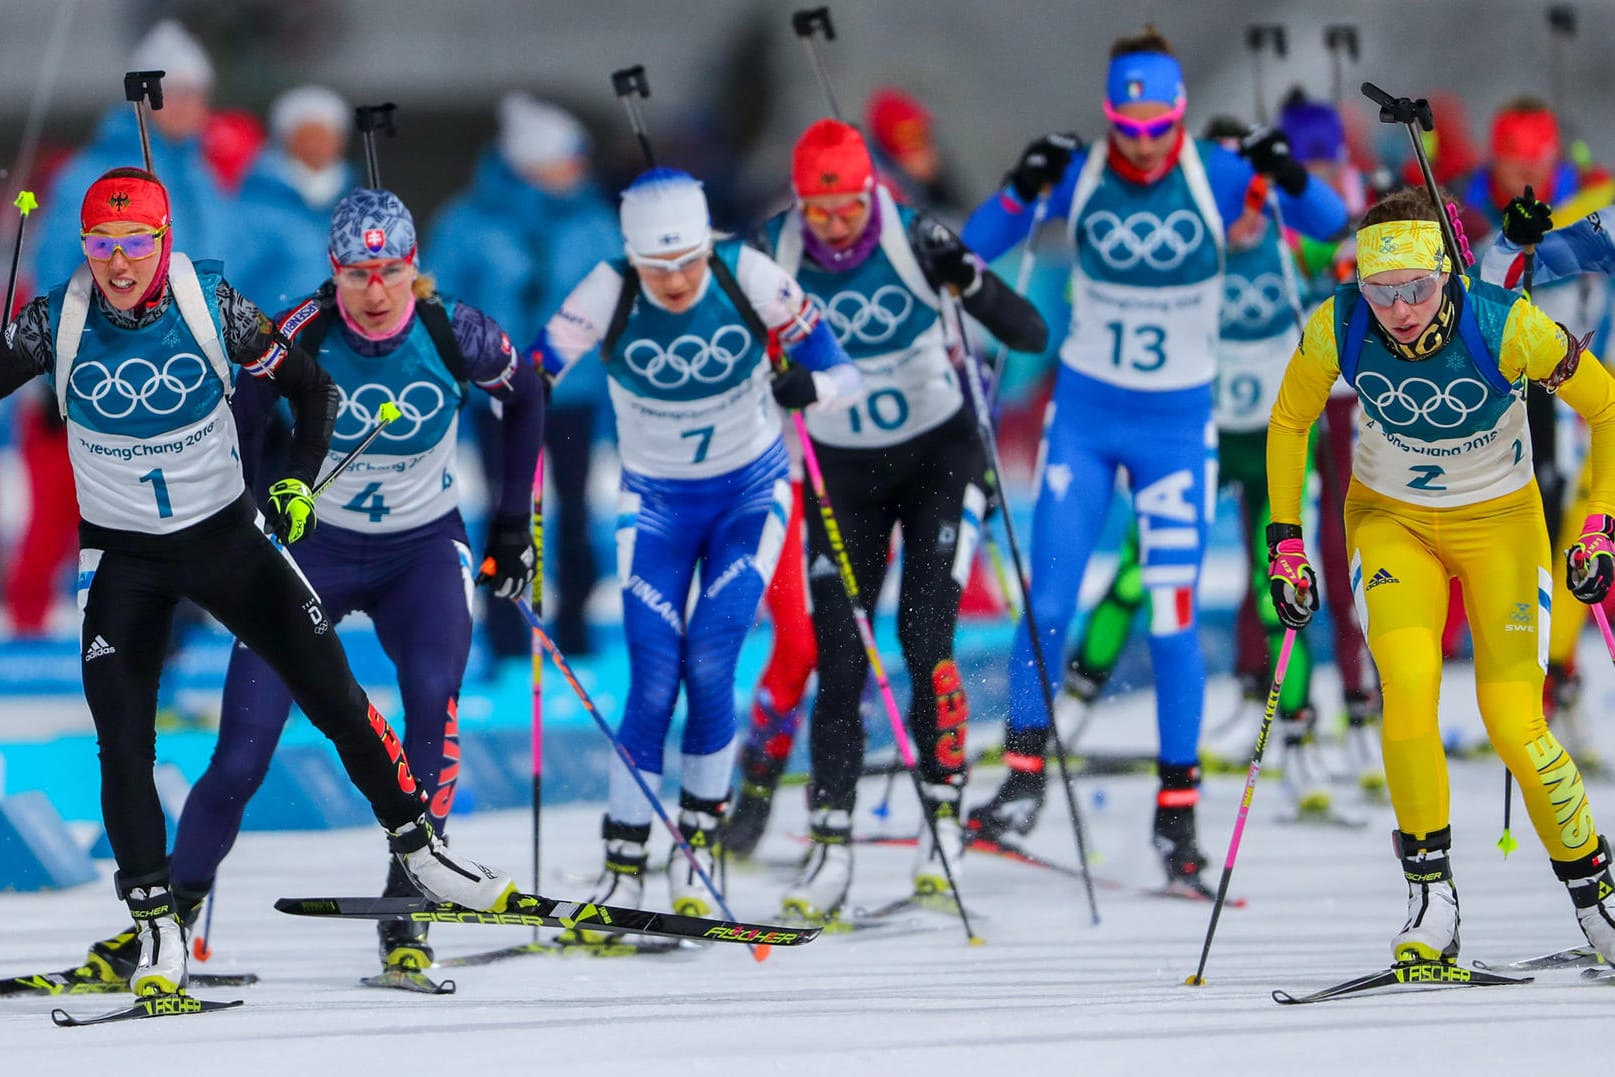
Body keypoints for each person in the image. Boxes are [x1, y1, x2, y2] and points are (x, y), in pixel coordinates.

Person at [0, 167, 518, 999]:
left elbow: (313, 392)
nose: (121, 264)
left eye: (137, 244)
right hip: (123, 559)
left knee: (335, 695)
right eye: (103, 246)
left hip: (226, 541)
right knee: (124, 740)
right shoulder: (51, 321)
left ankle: (421, 850)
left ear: (163, 240)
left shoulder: (213, 304)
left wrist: (297, 481)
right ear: (84, 248)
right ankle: (157, 926)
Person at [959, 29, 1347, 891]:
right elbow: (979, 250)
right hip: (1086, 422)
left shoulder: (1214, 170)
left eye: (1157, 126)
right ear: (1109, 118)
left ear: (1177, 115)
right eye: (1125, 127)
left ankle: (1177, 818)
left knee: (1171, 618)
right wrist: (1020, 185)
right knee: (1050, 597)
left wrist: (1285, 172)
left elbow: (1331, 227)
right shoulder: (1084, 170)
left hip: (1177, 430)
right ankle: (1021, 782)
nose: (1140, 146)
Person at [149, 187, 541, 979]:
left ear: (413, 269)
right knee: (242, 753)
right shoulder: (299, 330)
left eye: (390, 270)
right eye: (358, 272)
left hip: (421, 552)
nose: (375, 288)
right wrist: (247, 512)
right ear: (334, 271)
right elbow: (245, 421)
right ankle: (169, 918)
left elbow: (527, 393)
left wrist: (512, 526)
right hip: (312, 554)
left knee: (433, 699)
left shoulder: (451, 328)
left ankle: (408, 915)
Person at [1265, 184, 1615, 965]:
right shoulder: (1338, 324)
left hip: (1500, 526)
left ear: (1447, 275)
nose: (1398, 309)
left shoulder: (1508, 324)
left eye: (1416, 288)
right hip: (1391, 524)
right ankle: (1432, 901)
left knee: (1515, 725)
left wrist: (1597, 525)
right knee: (1410, 681)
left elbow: (1606, 408)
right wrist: (1283, 538)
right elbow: (1289, 420)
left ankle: (1598, 899)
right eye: (1380, 290)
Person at [533, 168, 859, 921]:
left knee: (710, 660)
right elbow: (529, 375)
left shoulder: (746, 273)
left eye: (686, 262)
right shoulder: (606, 288)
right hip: (654, 504)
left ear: (707, 244)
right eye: (657, 266)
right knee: (652, 678)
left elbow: (842, 367)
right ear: (631, 256)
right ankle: (623, 860)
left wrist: (815, 390)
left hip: (749, 494)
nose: (675, 280)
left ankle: (698, 845)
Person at [755, 120, 1045, 920]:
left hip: (938, 464)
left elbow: (1028, 332)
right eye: (820, 209)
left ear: (869, 191)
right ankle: (829, 841)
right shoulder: (770, 252)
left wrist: (969, 280)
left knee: (925, 638)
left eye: (848, 205)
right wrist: (768, 380)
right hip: (842, 475)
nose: (836, 224)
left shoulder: (914, 236)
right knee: (838, 656)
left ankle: (942, 814)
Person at [1058, 116, 1329, 813]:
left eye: (1252, 194)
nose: (1240, 214)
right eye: (1227, 196)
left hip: (1273, 440)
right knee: (1132, 572)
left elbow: (1347, 242)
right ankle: (1075, 705)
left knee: (1282, 587)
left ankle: (1298, 739)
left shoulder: (1287, 244)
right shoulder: (1184, 244)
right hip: (1197, 435)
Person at [431, 92, 621, 660]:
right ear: (531, 162)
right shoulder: (468, 221)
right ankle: (508, 633)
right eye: (568, 156)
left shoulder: (593, 220)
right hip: (503, 396)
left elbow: (619, 300)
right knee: (507, 512)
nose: (578, 168)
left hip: (574, 395)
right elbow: (442, 303)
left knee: (577, 511)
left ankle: (578, 628)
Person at [229, 85, 355, 314]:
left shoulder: (356, 205)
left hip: (339, 343)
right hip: (273, 341)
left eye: (327, 135)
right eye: (308, 135)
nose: (318, 145)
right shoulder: (253, 208)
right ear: (286, 138)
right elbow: (230, 280)